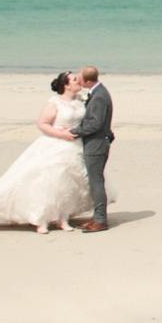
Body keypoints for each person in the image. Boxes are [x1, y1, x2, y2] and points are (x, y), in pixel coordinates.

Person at [0, 71, 101, 234]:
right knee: (49, 182)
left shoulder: (80, 100)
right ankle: (41, 220)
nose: (79, 81)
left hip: (75, 146)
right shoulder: (55, 102)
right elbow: (42, 124)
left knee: (68, 184)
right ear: (66, 85)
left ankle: (63, 218)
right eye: (74, 80)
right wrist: (61, 134)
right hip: (55, 145)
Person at [69, 65, 115, 232]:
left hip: (96, 144)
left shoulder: (99, 97)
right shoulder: (97, 92)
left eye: (80, 78)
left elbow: (95, 124)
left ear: (88, 80)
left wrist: (74, 132)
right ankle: (96, 217)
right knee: (94, 180)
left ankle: (101, 220)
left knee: (96, 181)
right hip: (97, 142)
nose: (78, 80)